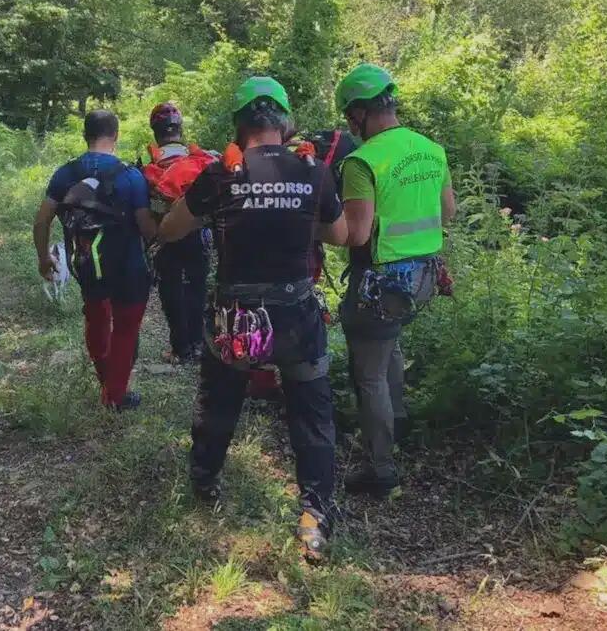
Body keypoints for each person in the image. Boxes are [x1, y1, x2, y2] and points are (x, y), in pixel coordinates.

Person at [159, 77, 350, 559]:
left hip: (235, 317)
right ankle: (314, 518)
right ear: (284, 122)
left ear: (240, 124)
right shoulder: (313, 171)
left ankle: (204, 482)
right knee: (311, 410)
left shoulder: (222, 172)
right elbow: (342, 235)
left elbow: (171, 228)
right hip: (296, 313)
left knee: (220, 401)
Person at [333, 63, 457, 498]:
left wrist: (317, 225)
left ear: (359, 113)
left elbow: (357, 234)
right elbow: (448, 213)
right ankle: (396, 420)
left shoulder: (362, 161)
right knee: (390, 348)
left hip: (379, 284)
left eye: (350, 116)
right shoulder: (431, 149)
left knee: (368, 374)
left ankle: (381, 468)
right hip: (422, 276)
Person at [33, 110, 157, 411]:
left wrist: (43, 258)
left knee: (96, 316)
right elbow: (147, 228)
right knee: (126, 329)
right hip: (128, 266)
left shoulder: (65, 174)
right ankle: (115, 396)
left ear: (84, 135)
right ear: (115, 136)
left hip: (87, 262)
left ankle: (106, 378)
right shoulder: (131, 176)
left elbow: (42, 221)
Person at [143, 103, 212, 364]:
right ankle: (198, 344)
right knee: (197, 289)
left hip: (165, 235)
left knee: (170, 290)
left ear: (156, 131)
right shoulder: (200, 159)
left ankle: (179, 348)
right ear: (179, 129)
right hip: (199, 233)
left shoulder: (153, 165)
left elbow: (149, 205)